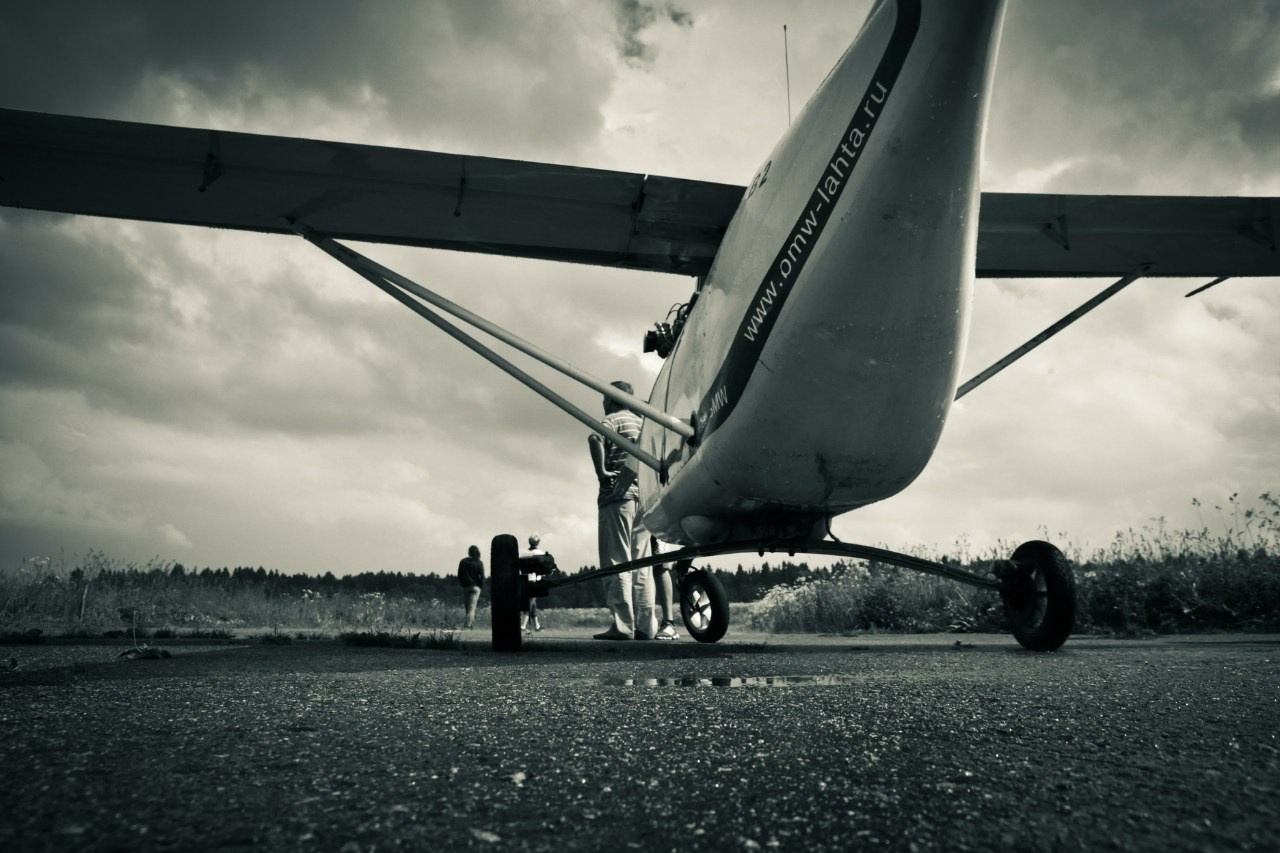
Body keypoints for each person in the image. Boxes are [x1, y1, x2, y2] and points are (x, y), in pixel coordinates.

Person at [589, 380, 658, 640]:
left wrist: (601, 472)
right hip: (644, 498)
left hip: (617, 496)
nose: (603, 402)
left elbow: (595, 437)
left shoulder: (613, 420)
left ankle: (622, 625)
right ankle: (646, 626)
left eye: (605, 398)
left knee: (617, 559)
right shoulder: (642, 423)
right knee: (643, 563)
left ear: (612, 398)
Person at [521, 534, 547, 632]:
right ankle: (523, 626)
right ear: (538, 543)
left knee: (533, 603)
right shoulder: (540, 553)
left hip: (524, 580)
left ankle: (537, 625)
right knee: (530, 603)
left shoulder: (524, 554)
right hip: (535, 580)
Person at [457, 545, 484, 629]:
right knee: (472, 608)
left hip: (465, 586)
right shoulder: (479, 562)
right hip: (475, 587)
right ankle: (468, 626)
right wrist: (480, 586)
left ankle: (469, 625)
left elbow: (459, 574)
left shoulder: (463, 561)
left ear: (469, 552)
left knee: (467, 608)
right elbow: (482, 576)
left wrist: (462, 584)